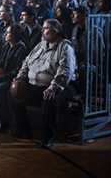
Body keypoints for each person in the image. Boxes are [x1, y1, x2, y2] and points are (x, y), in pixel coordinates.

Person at [9, 19, 78, 150]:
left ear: (54, 31)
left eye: (45, 28)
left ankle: (48, 137)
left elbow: (65, 71)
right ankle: (23, 128)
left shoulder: (65, 47)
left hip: (62, 85)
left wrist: (53, 88)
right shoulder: (41, 44)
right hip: (37, 83)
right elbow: (26, 62)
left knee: (49, 100)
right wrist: (19, 79)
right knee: (13, 92)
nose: (42, 30)